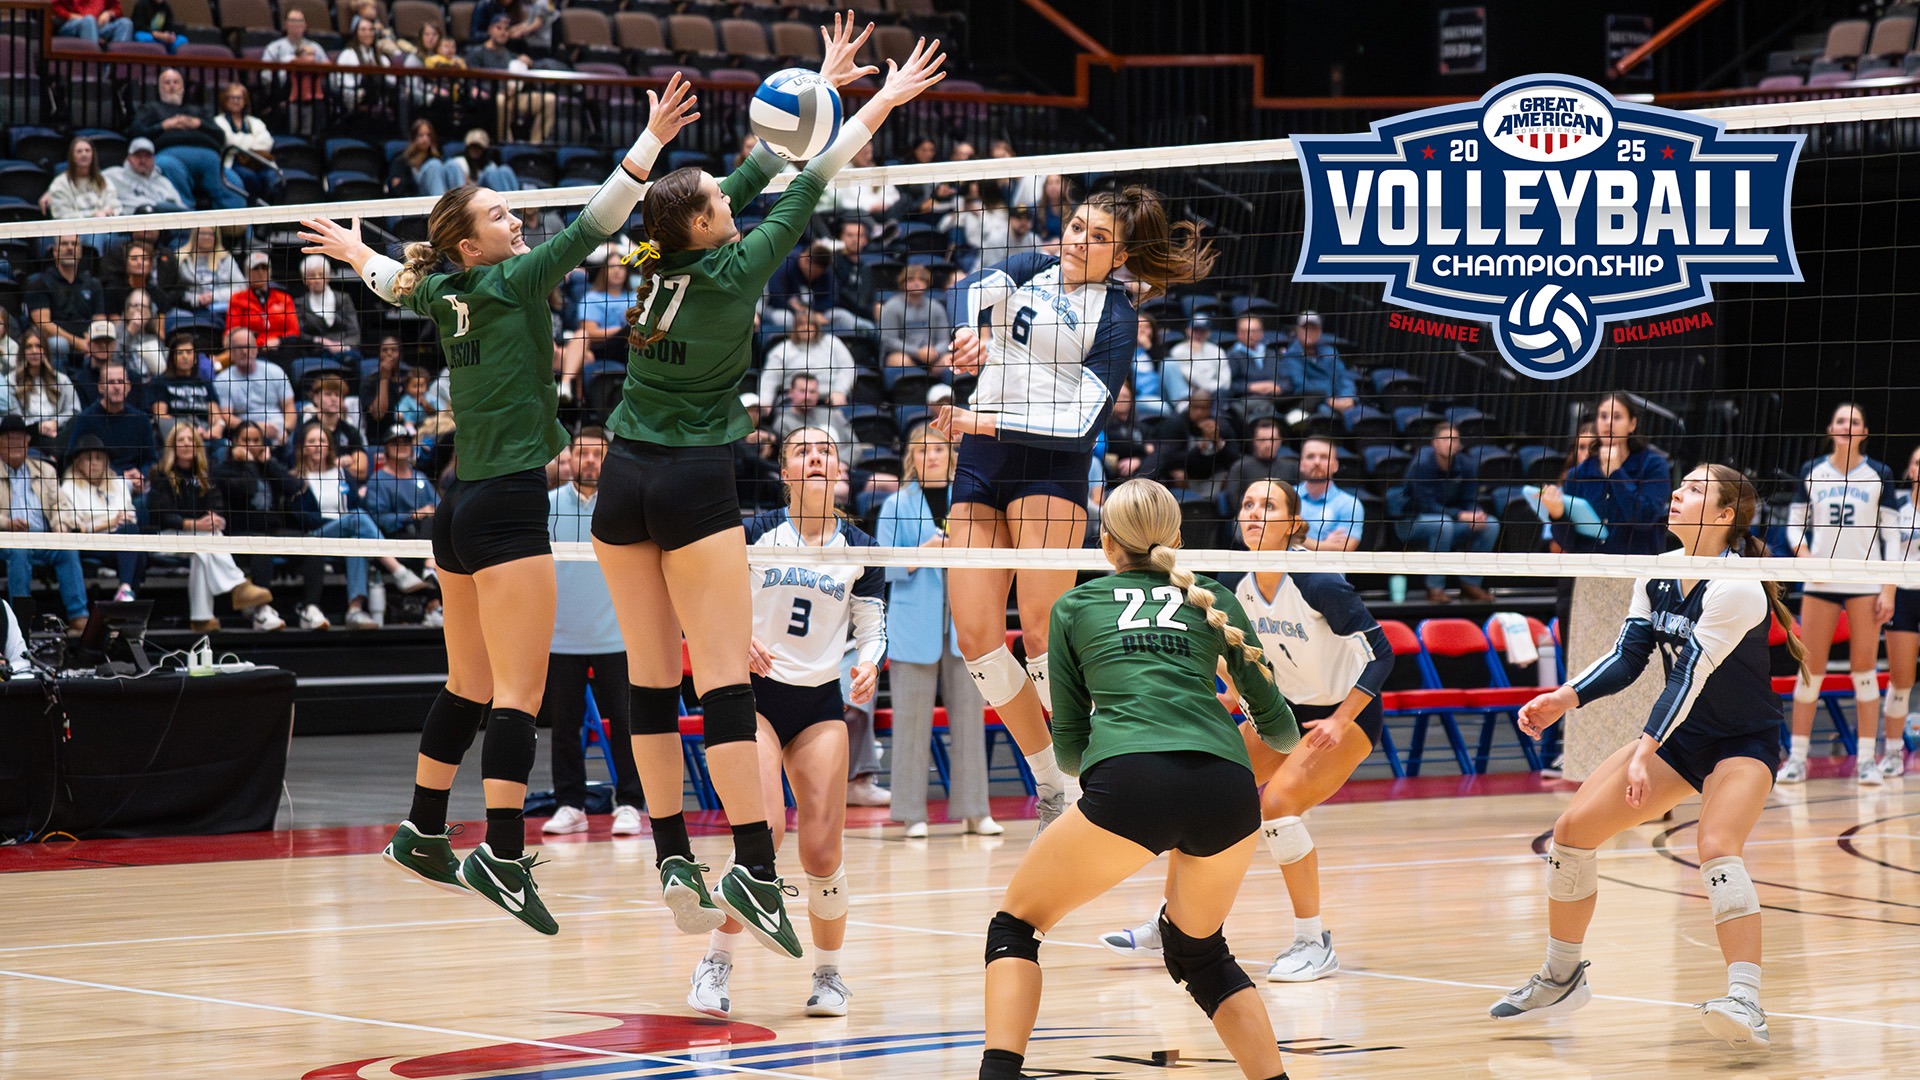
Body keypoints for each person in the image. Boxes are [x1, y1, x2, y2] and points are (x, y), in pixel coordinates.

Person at [299, 72, 699, 935]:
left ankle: (423, 828)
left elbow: (391, 281)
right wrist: (652, 139)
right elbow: (600, 221)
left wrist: (353, 252)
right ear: (475, 247)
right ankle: (506, 853)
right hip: (509, 511)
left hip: (457, 510)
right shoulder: (513, 281)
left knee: (468, 682)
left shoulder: (447, 291)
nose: (518, 222)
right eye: (502, 217)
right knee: (519, 691)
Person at [591, 20, 938, 957]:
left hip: (619, 480)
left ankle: (670, 850)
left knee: (649, 678)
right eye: (716, 201)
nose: (729, 198)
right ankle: (751, 860)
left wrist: (809, 90)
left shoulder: (650, 256)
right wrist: (877, 101)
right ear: (706, 224)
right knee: (721, 681)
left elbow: (745, 175)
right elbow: (815, 175)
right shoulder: (739, 268)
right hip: (691, 481)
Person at [977, 477, 1297, 1080]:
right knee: (1200, 955)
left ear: (1105, 542)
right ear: (1177, 538)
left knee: (1015, 927)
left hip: (1131, 783)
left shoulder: (1074, 607)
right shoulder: (1214, 600)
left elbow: (1069, 753)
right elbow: (1282, 733)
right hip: (1227, 790)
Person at [1493, 464, 1805, 1051]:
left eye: (1693, 489)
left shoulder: (1736, 585)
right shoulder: (1660, 570)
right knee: (1571, 834)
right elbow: (1628, 655)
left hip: (1742, 741)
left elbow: (1690, 674)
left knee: (1715, 847)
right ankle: (1561, 976)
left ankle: (1745, 999)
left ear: (1723, 515)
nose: (1678, 494)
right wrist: (1564, 696)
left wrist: (1644, 751)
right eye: (1679, 484)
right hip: (1684, 739)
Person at [933, 184, 1215, 830]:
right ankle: (1047, 777)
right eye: (1077, 225)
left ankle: (1087, 769)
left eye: (1096, 237)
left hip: (1050, 469)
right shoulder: (1034, 264)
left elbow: (1079, 424)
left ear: (1120, 256)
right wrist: (968, 331)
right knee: (976, 638)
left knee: (1039, 634)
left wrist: (987, 426)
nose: (1077, 239)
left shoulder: (1115, 319)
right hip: (981, 460)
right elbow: (968, 289)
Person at [1101, 478, 1393, 982]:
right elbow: (1248, 654)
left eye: (1269, 505)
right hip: (1284, 709)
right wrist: (1235, 691)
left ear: (1294, 524)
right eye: (1249, 503)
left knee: (1278, 806)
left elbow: (1382, 653)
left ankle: (1313, 941)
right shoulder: (1236, 583)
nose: (1255, 512)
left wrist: (1342, 719)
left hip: (1346, 715)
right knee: (1194, 788)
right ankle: (1173, 923)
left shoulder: (1320, 582)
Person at [687, 427, 888, 1019]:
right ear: (786, 473)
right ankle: (715, 962)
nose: (818, 457)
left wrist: (870, 665)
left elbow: (872, 628)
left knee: (823, 852)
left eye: (827, 450)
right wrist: (736, 636)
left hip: (820, 704)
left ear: (840, 472)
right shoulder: (753, 534)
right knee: (765, 831)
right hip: (753, 699)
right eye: (804, 450)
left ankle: (829, 977)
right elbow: (706, 597)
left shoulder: (861, 548)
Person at [877, 421, 996, 837]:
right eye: (924, 450)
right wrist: (923, 553)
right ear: (912, 457)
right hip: (914, 622)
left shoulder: (967, 502)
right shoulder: (895, 505)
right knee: (911, 721)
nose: (932, 456)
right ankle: (912, 813)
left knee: (970, 719)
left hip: (963, 623)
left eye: (940, 450)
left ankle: (975, 810)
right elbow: (884, 568)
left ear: (951, 457)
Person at [1778, 402, 1899, 786]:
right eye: (1842, 420)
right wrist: (1807, 556)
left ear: (1864, 433)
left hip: (1864, 582)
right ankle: (1798, 759)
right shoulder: (1811, 471)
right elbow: (1794, 524)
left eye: (1856, 421)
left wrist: (1889, 587)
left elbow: (1892, 536)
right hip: (1821, 583)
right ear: (1832, 428)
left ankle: (1866, 760)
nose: (1849, 426)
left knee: (1864, 672)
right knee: (1809, 672)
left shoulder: (1880, 474)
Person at [537, 427, 645, 836]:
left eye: (599, 454)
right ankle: (570, 803)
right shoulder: (546, 505)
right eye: (583, 453)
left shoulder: (623, 505)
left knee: (626, 722)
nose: (591, 461)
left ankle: (631, 803)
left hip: (616, 636)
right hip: (562, 636)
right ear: (569, 458)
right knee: (564, 727)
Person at [149, 424, 274, 631]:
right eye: (181, 440)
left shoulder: (205, 475)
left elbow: (216, 503)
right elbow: (158, 513)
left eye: (191, 440)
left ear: (198, 446)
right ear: (172, 446)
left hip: (199, 539)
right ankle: (238, 586)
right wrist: (191, 524)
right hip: (166, 536)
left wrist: (216, 518)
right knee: (207, 539)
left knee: (204, 549)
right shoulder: (161, 475)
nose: (187, 444)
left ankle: (201, 618)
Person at [1, 414, 89, 631]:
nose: (15, 442)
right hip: (6, 539)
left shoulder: (45, 470)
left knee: (68, 550)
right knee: (18, 551)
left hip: (42, 537)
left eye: (20, 437)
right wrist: (6, 523)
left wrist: (61, 524)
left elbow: (60, 505)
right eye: (8, 438)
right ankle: (20, 621)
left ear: (28, 441)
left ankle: (79, 616)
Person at [1395, 420, 1498, 603]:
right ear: (1434, 443)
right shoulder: (1421, 464)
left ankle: (1470, 584)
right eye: (1445, 439)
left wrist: (1476, 513)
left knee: (1490, 524)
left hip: (1449, 520)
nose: (1450, 443)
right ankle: (1435, 588)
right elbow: (1424, 504)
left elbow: (1469, 499)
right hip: (1411, 521)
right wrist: (1460, 515)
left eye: (1454, 439)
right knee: (1443, 525)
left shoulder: (1467, 465)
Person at [209, 419, 297, 631]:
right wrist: (248, 463)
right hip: (240, 532)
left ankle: (311, 607)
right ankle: (262, 610)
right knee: (260, 544)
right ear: (234, 443)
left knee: (310, 543)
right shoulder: (224, 469)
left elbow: (293, 487)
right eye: (245, 440)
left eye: (256, 440)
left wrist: (268, 464)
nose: (251, 445)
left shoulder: (268, 466)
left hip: (271, 530)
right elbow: (247, 489)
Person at [130, 69, 245, 211]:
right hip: (169, 154)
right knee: (167, 166)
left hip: (208, 156)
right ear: (160, 89)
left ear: (183, 87)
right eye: (167, 83)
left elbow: (220, 136)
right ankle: (187, 224)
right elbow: (135, 132)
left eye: (176, 82)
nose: (172, 86)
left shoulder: (198, 111)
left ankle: (235, 228)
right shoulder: (151, 109)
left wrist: (199, 124)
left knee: (232, 182)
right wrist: (164, 126)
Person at [59, 433, 145, 602]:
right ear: (78, 462)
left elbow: (132, 515)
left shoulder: (119, 484)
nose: (95, 463)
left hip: (121, 540)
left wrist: (124, 519)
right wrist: (109, 522)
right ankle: (127, 598)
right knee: (134, 546)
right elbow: (76, 528)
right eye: (89, 458)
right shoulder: (69, 488)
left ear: (106, 462)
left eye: (99, 458)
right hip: (91, 542)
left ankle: (125, 592)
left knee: (136, 541)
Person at [1880, 443, 1920, 769]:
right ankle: (1893, 753)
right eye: (1918, 463)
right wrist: (1886, 593)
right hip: (1904, 595)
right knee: (1902, 678)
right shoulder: (1898, 509)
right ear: (1910, 470)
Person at [65, 360, 156, 488]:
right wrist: (119, 475)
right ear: (100, 387)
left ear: (128, 386)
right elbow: (72, 459)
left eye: (120, 382)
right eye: (111, 382)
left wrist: (141, 474)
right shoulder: (85, 419)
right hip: (98, 483)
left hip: (137, 484)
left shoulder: (140, 419)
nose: (117, 387)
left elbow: (151, 458)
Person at [25, 234, 106, 366]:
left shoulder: (93, 283)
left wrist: (94, 341)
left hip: (88, 343)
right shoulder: (40, 284)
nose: (70, 248)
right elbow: (43, 324)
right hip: (59, 344)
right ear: (55, 252)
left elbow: (100, 319)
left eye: (74, 244)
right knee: (59, 344)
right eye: (64, 244)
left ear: (80, 252)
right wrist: (78, 343)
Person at [213, 328, 296, 448]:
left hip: (279, 430)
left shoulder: (275, 371)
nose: (245, 352)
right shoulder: (223, 380)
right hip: (245, 434)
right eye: (239, 348)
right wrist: (257, 428)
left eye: (249, 346)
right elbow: (227, 417)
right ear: (230, 352)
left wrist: (286, 430)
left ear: (256, 349)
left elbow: (289, 406)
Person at [877, 263, 953, 390]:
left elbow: (944, 340)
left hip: (932, 356)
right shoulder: (892, 306)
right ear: (903, 283)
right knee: (899, 360)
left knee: (949, 359)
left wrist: (935, 352)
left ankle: (938, 391)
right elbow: (888, 340)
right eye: (911, 280)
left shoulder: (936, 307)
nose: (916, 283)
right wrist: (917, 352)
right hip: (904, 354)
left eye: (921, 280)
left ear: (927, 283)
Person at [212, 84, 280, 204]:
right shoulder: (218, 121)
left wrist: (241, 143)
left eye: (239, 98)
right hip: (233, 163)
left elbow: (266, 142)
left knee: (272, 177)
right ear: (224, 100)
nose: (236, 101)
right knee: (249, 177)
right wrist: (251, 140)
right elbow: (229, 142)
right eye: (231, 98)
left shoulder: (255, 121)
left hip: (258, 162)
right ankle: (256, 209)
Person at [1276, 312, 1355, 413]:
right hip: (1314, 403)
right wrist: (1329, 400)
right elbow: (1301, 386)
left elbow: (1344, 379)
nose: (1309, 332)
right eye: (1305, 328)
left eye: (1313, 329)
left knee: (1362, 414)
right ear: (1297, 331)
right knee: (1325, 412)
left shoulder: (1330, 352)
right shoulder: (1290, 356)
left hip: (1340, 400)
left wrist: (1348, 398)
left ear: (1319, 332)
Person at [10, 333, 79, 445]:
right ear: (23, 352)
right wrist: (38, 427)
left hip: (58, 434)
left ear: (46, 351)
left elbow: (74, 410)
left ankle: (54, 455)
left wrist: (56, 422)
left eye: (39, 346)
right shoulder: (12, 381)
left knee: (77, 422)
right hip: (28, 436)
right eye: (29, 347)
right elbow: (13, 418)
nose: (34, 351)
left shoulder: (61, 380)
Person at [295, 255, 363, 366]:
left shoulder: (343, 299)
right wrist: (320, 341)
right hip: (315, 352)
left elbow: (354, 332)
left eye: (321, 275)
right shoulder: (300, 303)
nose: (317, 279)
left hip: (345, 352)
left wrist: (342, 346)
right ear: (305, 280)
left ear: (328, 277)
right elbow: (300, 333)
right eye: (312, 276)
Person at [226, 252, 300, 349]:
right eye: (256, 268)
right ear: (247, 272)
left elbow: (294, 331)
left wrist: (279, 341)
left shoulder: (284, 298)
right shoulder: (237, 299)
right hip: (250, 350)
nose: (260, 272)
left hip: (281, 348)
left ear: (269, 272)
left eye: (264, 268)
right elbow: (233, 331)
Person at [1161, 315, 1234, 412]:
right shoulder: (1178, 351)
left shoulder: (1217, 351)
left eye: (1202, 331)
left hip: (1213, 395)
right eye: (1195, 330)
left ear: (1208, 333)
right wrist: (1196, 354)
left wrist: (1208, 388)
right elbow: (1191, 377)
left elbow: (1225, 383)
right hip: (1187, 396)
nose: (1198, 334)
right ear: (1188, 330)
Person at [104, 138, 189, 217]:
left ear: (153, 158)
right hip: (131, 224)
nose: (143, 160)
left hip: (163, 225)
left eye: (147, 156)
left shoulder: (163, 182)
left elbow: (181, 208)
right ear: (129, 157)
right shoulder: (113, 175)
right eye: (138, 155)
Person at [41, 137, 120, 221]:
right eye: (79, 151)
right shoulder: (59, 184)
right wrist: (93, 215)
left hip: (104, 228)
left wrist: (105, 212)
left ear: (93, 154)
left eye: (87, 150)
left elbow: (114, 205)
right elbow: (62, 215)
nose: (84, 154)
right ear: (72, 156)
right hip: (73, 231)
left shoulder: (104, 181)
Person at [178, 227, 244, 319]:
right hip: (191, 308)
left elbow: (241, 287)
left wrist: (213, 296)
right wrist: (197, 299)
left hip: (224, 308)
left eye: (211, 234)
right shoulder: (181, 259)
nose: (207, 237)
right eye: (203, 233)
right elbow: (174, 291)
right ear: (194, 235)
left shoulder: (225, 258)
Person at [389, 119, 461, 199]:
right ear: (414, 138)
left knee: (452, 165)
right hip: (418, 195)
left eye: (428, 135)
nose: (425, 139)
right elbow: (396, 188)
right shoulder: (402, 159)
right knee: (433, 165)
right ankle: (439, 205)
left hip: (443, 190)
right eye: (421, 135)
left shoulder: (436, 156)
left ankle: (461, 204)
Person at [52, 0, 132, 44]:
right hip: (71, 24)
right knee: (89, 20)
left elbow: (117, 10)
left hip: (97, 25)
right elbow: (54, 8)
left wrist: (109, 13)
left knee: (125, 23)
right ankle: (94, 69)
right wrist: (73, 16)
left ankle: (116, 70)